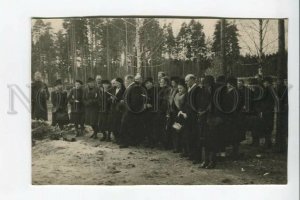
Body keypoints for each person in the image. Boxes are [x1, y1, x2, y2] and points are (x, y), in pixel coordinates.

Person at [119, 75, 146, 148]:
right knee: (128, 127)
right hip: (128, 110)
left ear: (130, 80)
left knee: (126, 126)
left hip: (130, 111)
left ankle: (126, 143)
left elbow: (135, 101)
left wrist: (131, 110)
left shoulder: (134, 87)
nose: (125, 82)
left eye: (126, 81)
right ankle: (129, 142)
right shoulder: (130, 87)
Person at [181, 74, 202, 163]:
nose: (185, 83)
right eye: (185, 81)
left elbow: (197, 104)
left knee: (196, 137)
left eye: (187, 81)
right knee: (190, 136)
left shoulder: (197, 90)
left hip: (194, 118)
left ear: (193, 80)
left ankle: (197, 157)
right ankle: (192, 154)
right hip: (188, 117)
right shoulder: (190, 90)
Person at [168, 79, 187, 153]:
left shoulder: (186, 95)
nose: (179, 90)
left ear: (185, 88)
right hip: (176, 116)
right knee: (176, 131)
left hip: (183, 116)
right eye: (178, 88)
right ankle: (176, 147)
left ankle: (183, 149)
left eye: (181, 88)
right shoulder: (176, 95)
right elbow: (173, 105)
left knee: (183, 133)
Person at [109, 77, 126, 143]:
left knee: (119, 124)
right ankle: (116, 137)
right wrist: (111, 98)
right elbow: (109, 97)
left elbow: (123, 99)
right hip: (113, 109)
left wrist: (117, 99)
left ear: (120, 83)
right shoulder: (113, 89)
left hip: (120, 109)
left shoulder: (124, 89)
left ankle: (120, 139)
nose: (115, 84)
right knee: (113, 124)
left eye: (116, 82)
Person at [156, 76, 171, 149]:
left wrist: (162, 110)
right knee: (161, 127)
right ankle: (162, 143)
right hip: (160, 110)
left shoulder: (168, 89)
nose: (160, 83)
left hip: (164, 111)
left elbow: (166, 101)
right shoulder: (162, 89)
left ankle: (165, 145)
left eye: (161, 82)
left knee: (164, 128)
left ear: (166, 83)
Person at [143, 77, 156, 147]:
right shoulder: (146, 91)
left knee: (152, 127)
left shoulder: (155, 90)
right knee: (147, 126)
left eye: (148, 83)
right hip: (146, 111)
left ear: (152, 83)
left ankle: (153, 142)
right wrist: (144, 104)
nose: (147, 85)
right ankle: (149, 141)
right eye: (146, 84)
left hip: (153, 112)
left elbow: (157, 101)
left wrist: (151, 105)